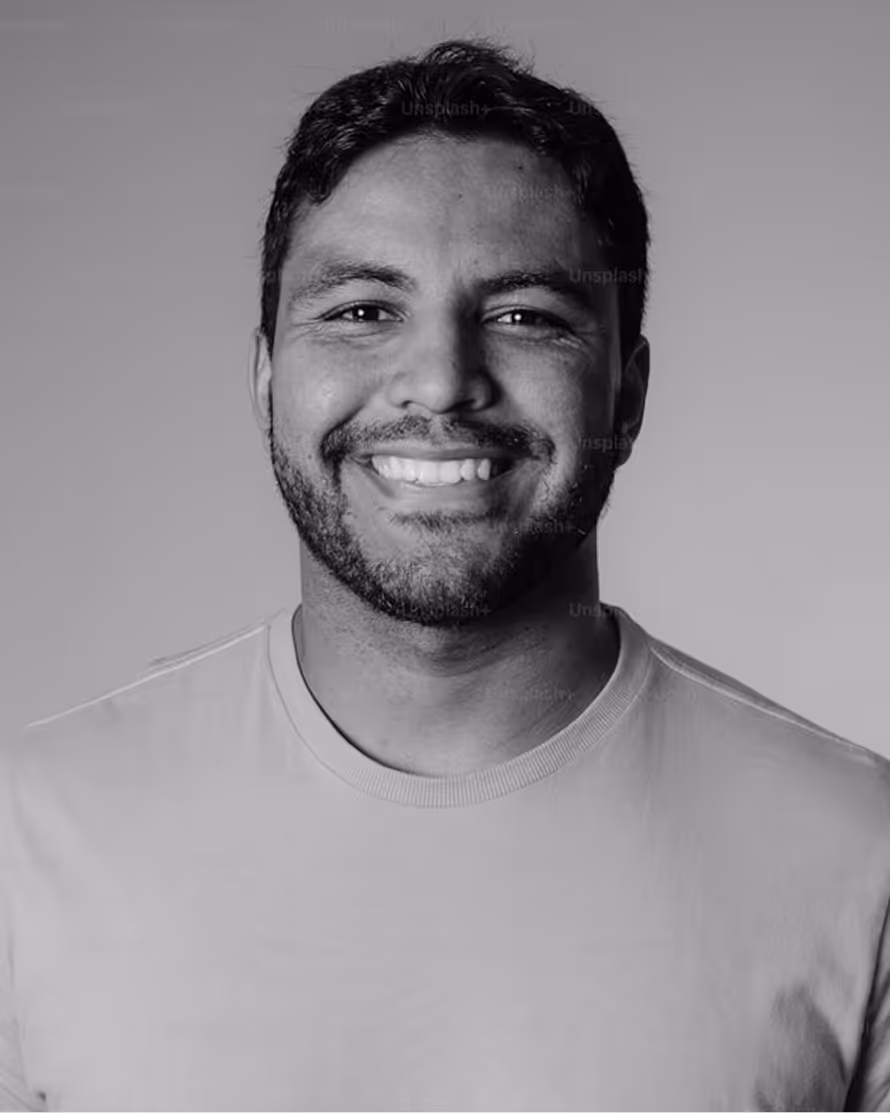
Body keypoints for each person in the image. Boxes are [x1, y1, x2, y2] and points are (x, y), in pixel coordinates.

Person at [2, 37, 889, 1113]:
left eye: (525, 316)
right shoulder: (32, 832)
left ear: (626, 395)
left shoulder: (859, 854)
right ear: (264, 376)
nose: (439, 380)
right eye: (362, 310)